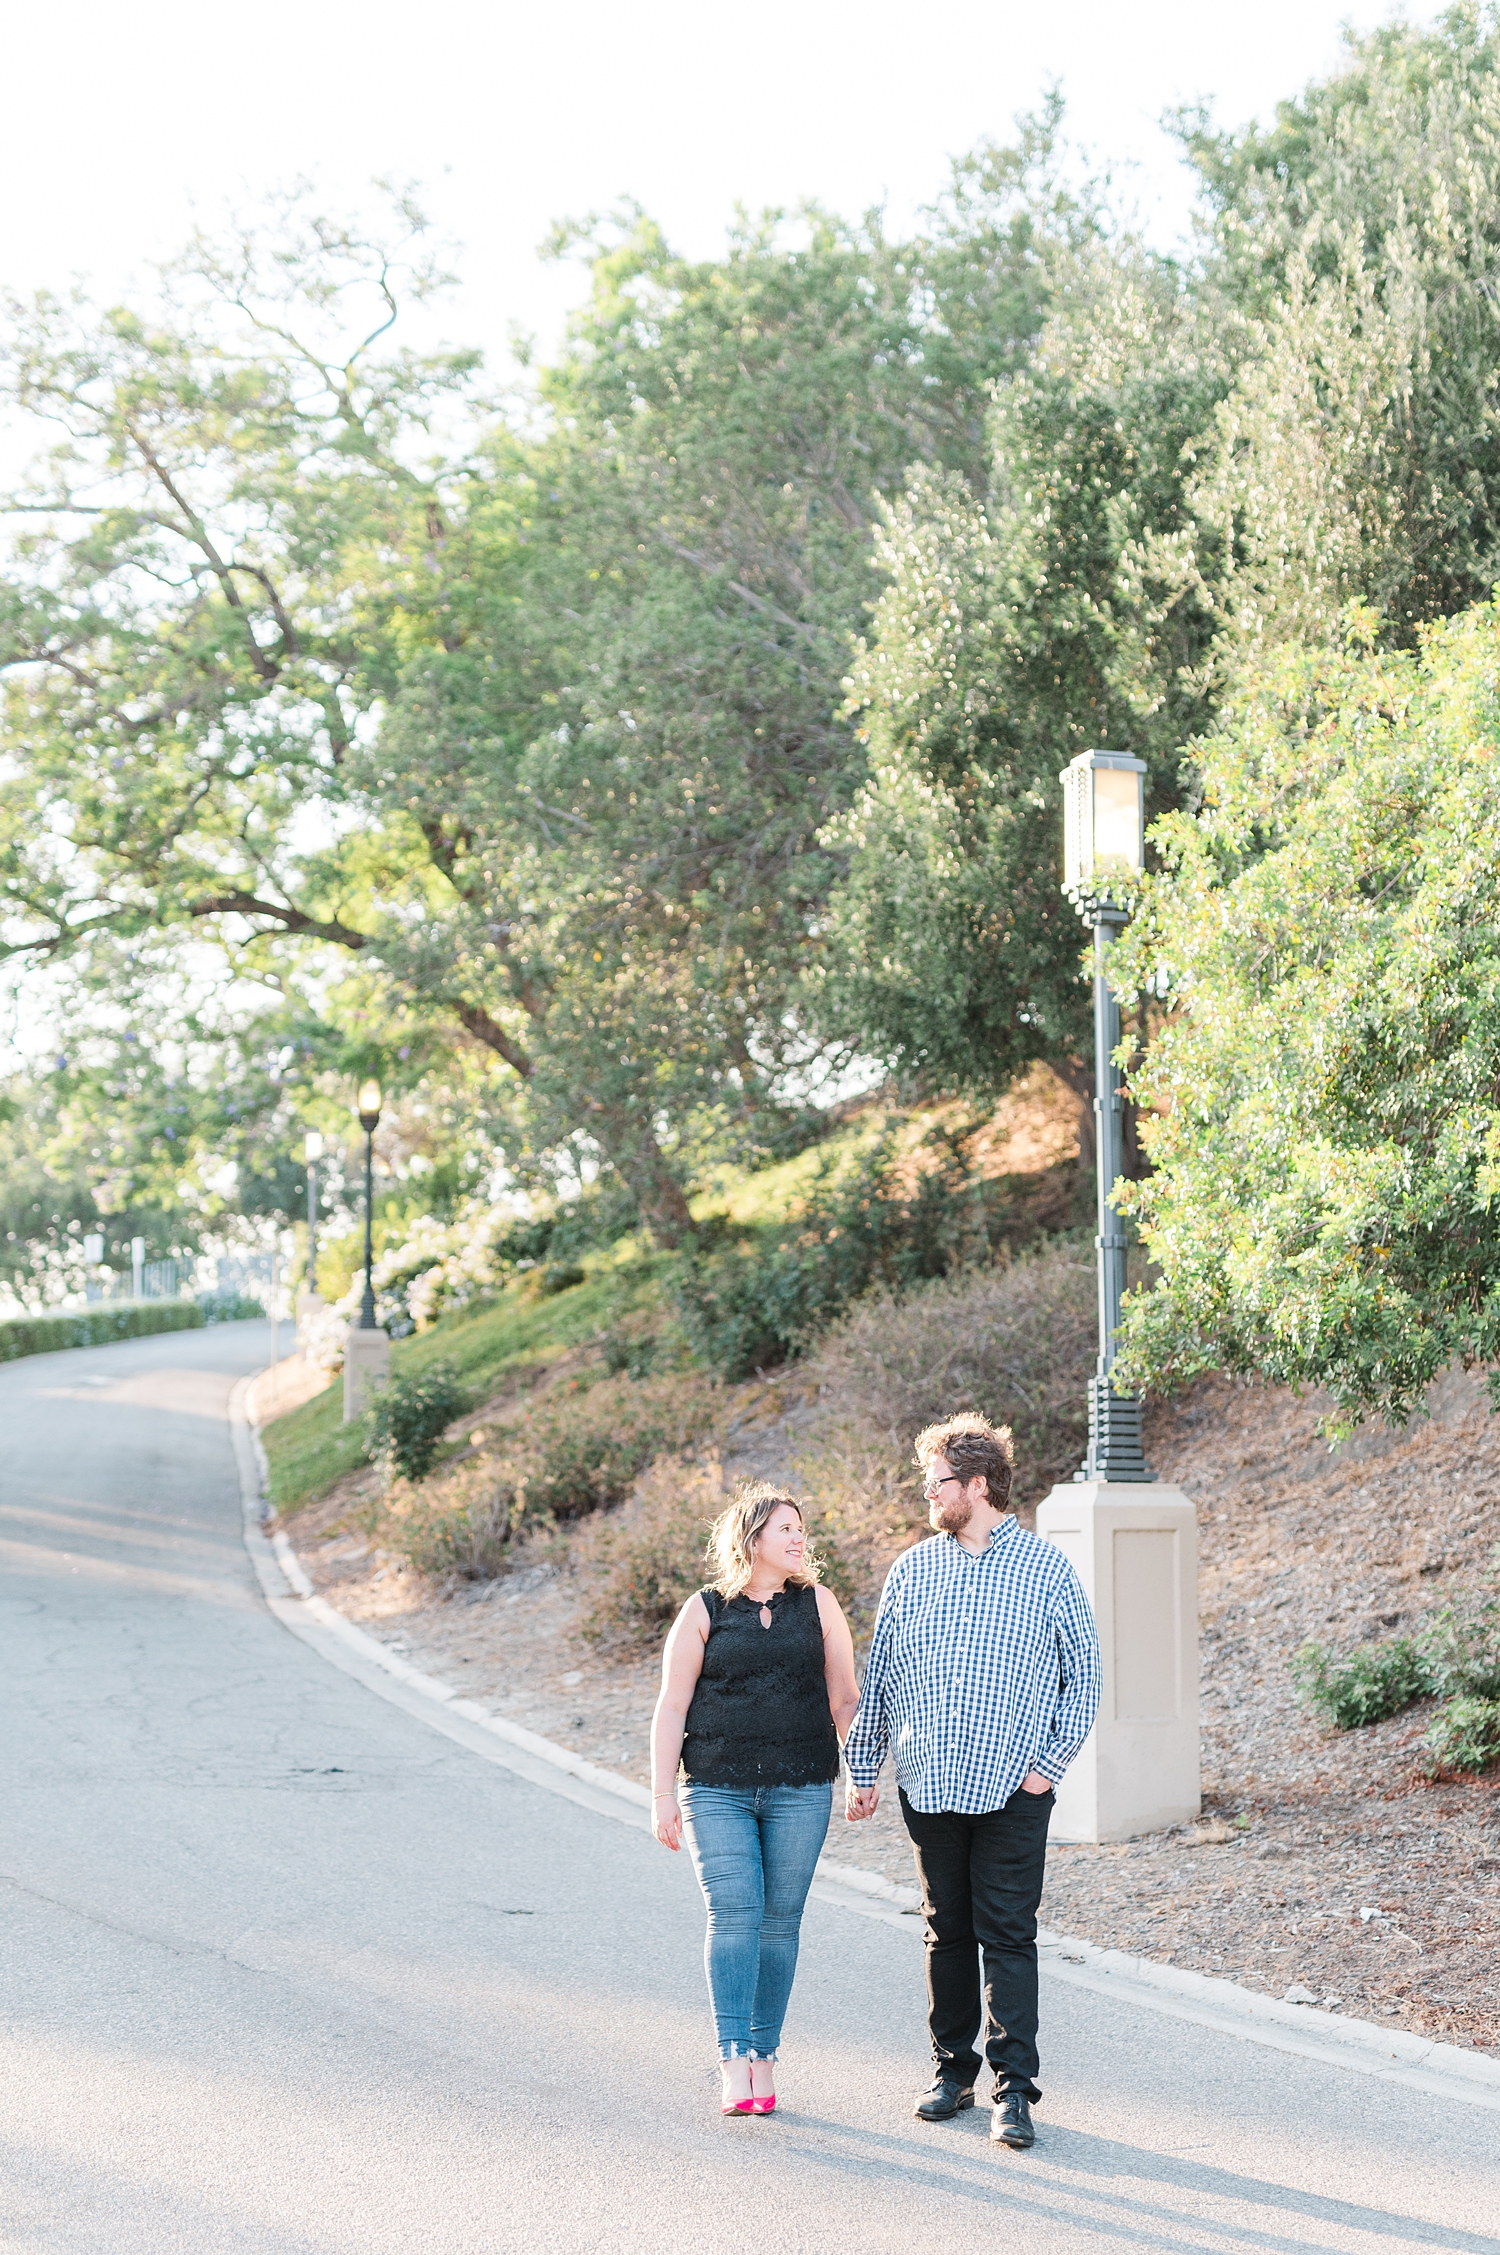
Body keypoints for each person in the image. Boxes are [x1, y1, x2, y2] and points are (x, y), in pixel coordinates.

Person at [845, 1412, 1100, 2152]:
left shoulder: (1046, 1569)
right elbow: (882, 1677)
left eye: (939, 1482)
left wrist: (1045, 1768)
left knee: (1009, 1935)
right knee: (945, 1930)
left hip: (1013, 1790)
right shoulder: (913, 1568)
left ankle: (1014, 2090)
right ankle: (952, 2071)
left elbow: (1084, 1679)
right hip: (928, 1783)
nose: (928, 1493)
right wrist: (863, 1768)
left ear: (977, 1484)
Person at [651, 1482, 860, 2117]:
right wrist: (663, 1795)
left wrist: (862, 1772)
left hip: (802, 1786)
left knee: (779, 1923)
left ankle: (765, 2057)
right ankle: (732, 2057)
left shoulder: (820, 1604)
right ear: (751, 1540)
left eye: (801, 1528)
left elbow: (845, 1697)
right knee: (734, 1915)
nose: (799, 1538)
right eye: (784, 1529)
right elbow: (672, 1705)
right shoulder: (705, 1608)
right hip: (715, 1787)